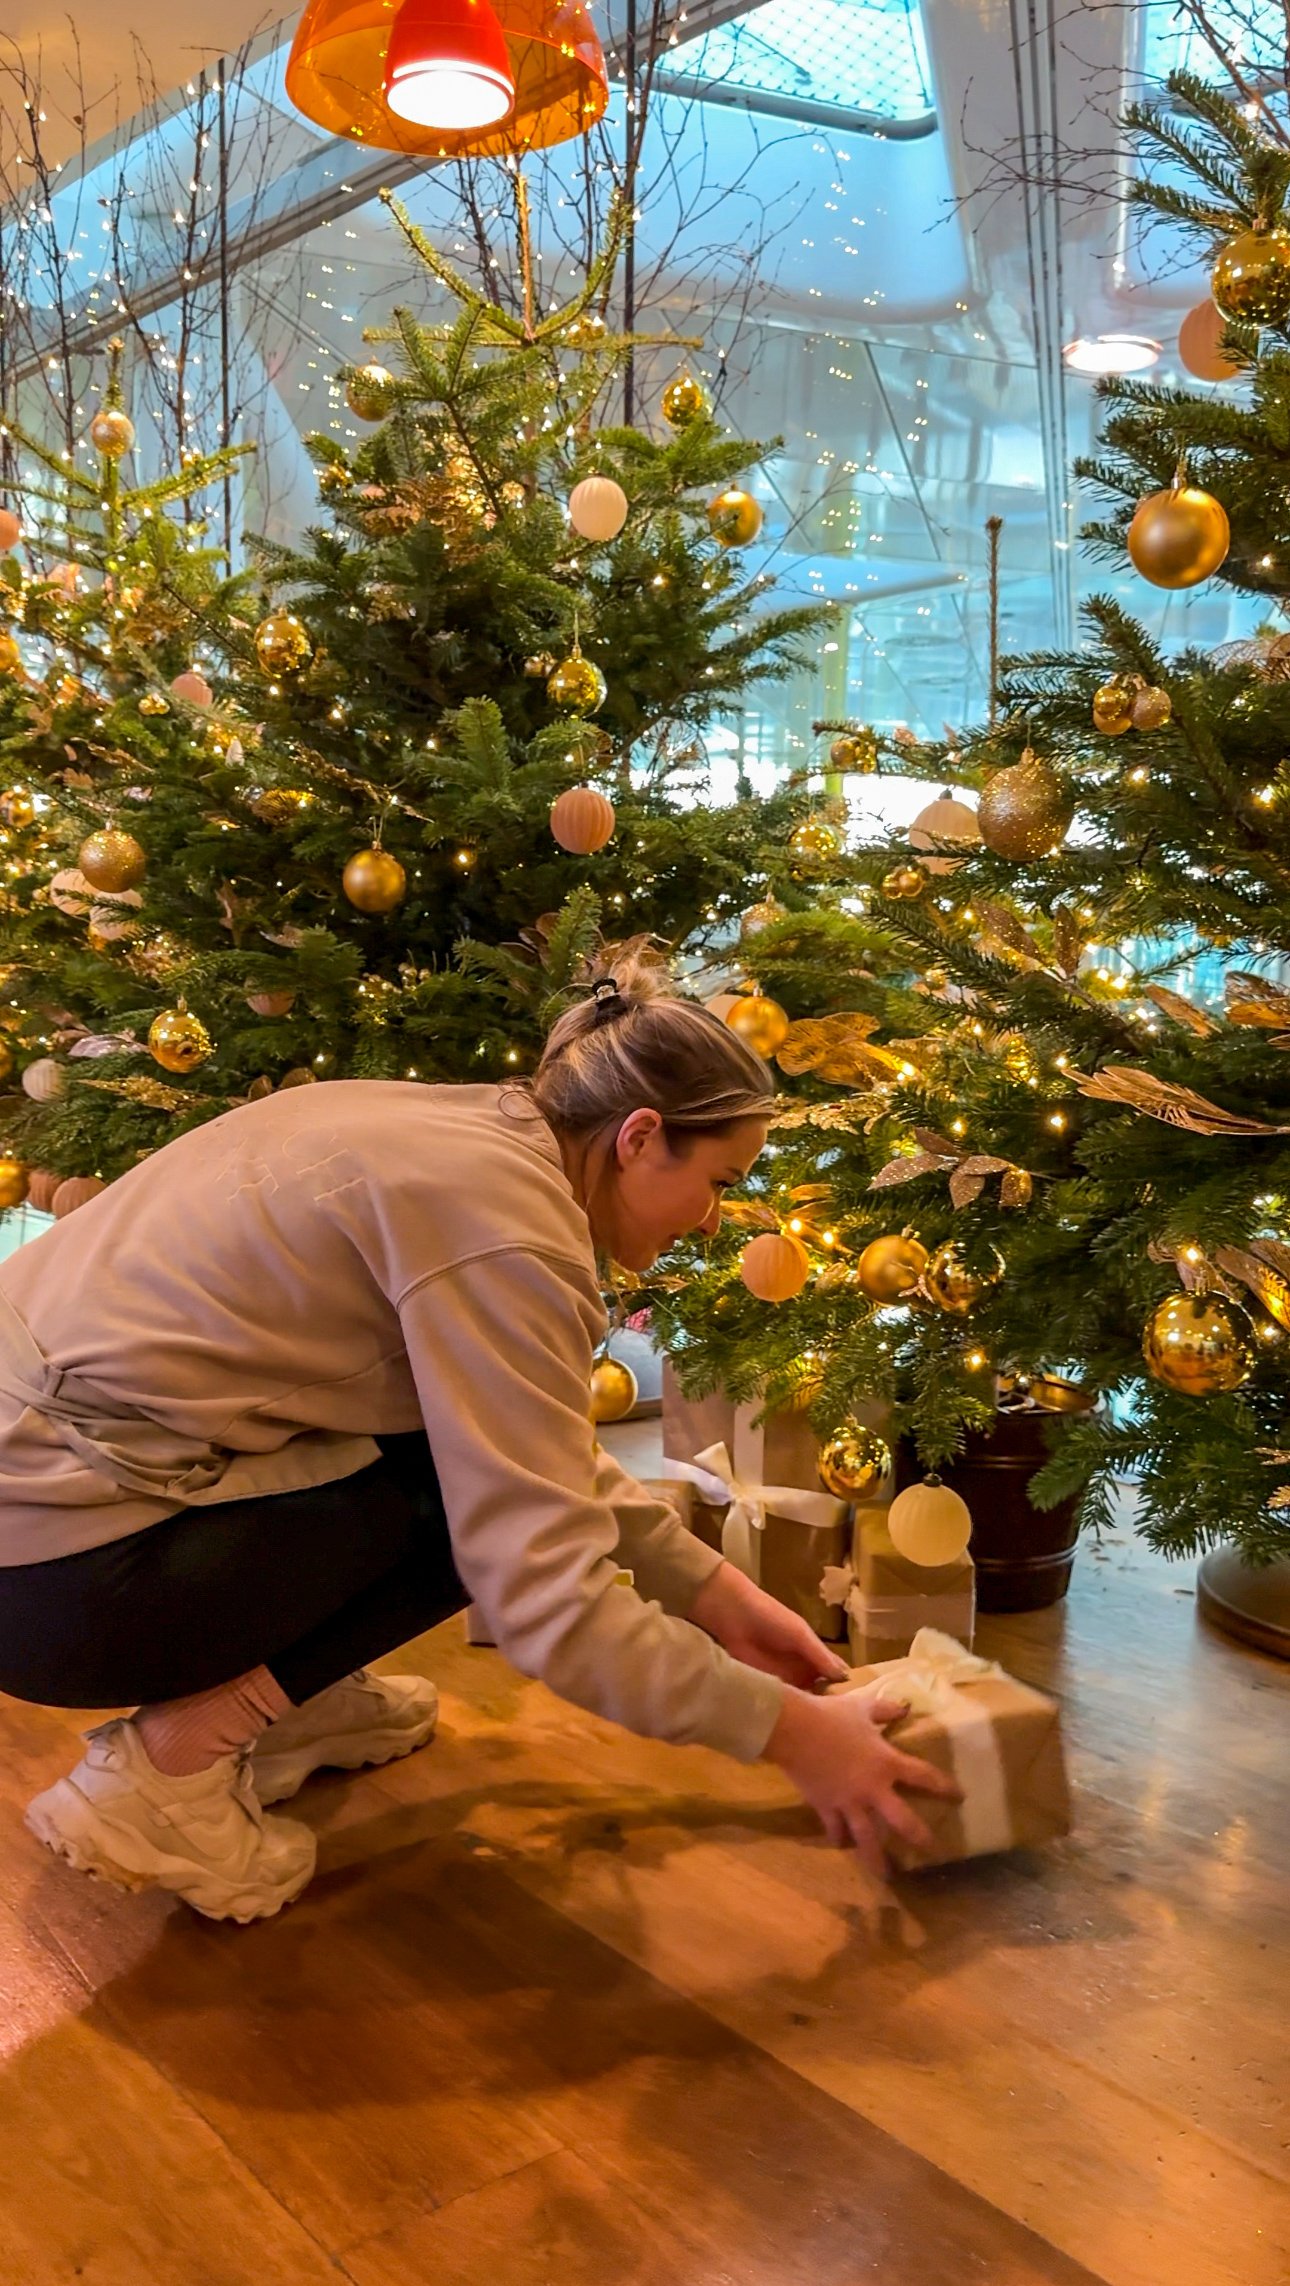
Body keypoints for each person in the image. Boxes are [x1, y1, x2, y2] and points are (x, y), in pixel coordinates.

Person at [0, 949, 955, 1921]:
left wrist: (714, 1593)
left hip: (44, 1518)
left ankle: (288, 1698)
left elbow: (526, 1446)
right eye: (719, 1179)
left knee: (461, 1465)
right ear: (639, 1137)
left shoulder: (467, 1128)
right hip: (51, 1587)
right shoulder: (512, 1234)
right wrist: (797, 1736)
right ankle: (167, 1774)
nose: (714, 1219)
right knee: (465, 1509)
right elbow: (544, 1594)